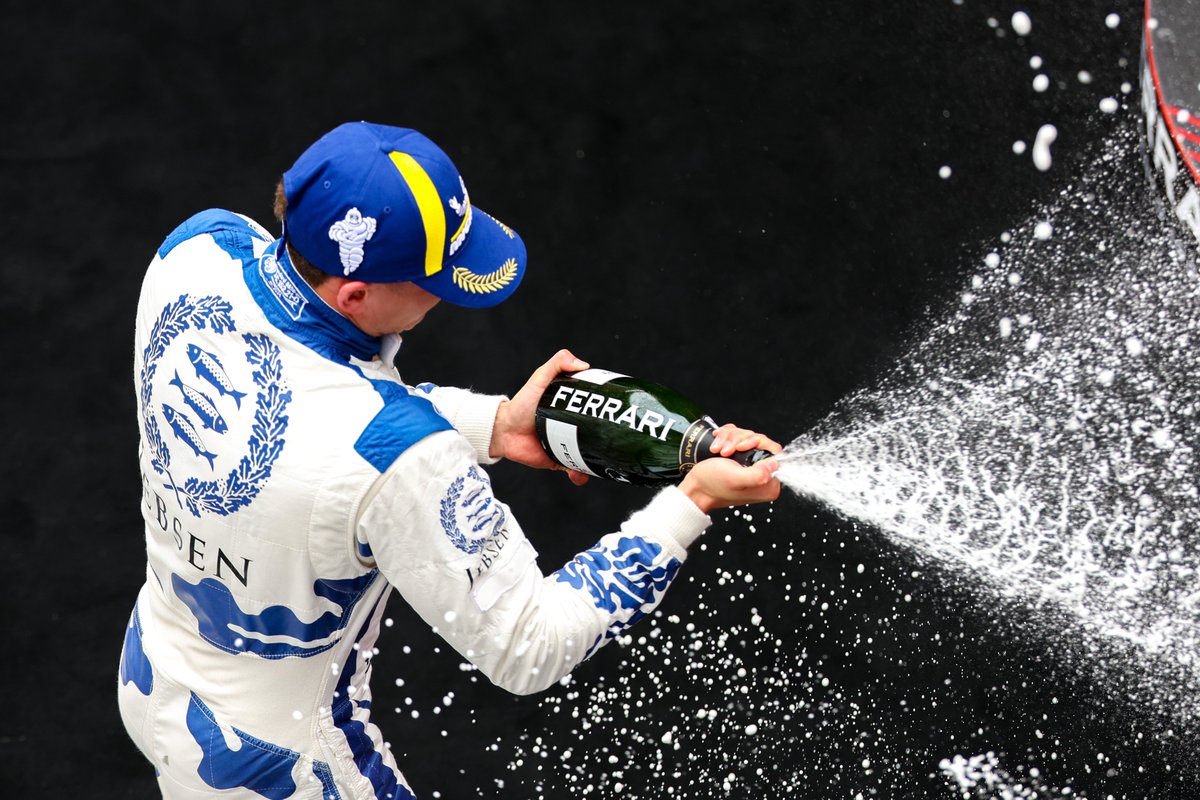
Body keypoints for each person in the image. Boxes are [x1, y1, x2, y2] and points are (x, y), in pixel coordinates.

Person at [118, 121, 781, 799]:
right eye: (434, 279)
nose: (445, 295)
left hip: (153, 666)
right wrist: (690, 502)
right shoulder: (400, 454)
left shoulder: (196, 249)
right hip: (281, 768)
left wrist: (494, 425)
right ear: (354, 294)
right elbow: (530, 645)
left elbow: (299, 413)